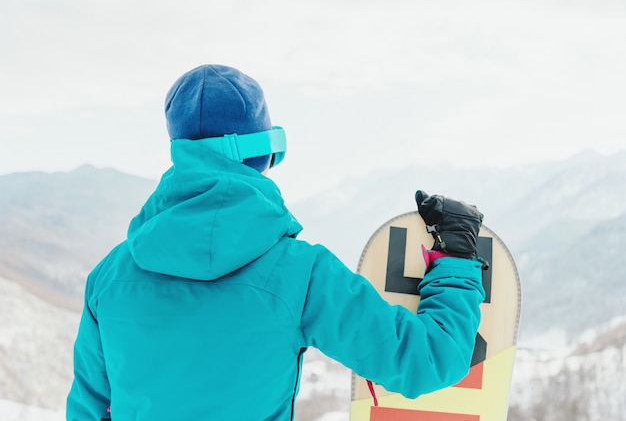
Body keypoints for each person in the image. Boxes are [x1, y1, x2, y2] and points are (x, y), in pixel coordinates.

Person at [66, 64, 486, 420]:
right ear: (264, 153)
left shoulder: (109, 277)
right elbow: (426, 362)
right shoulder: (302, 274)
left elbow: (88, 409)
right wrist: (457, 258)